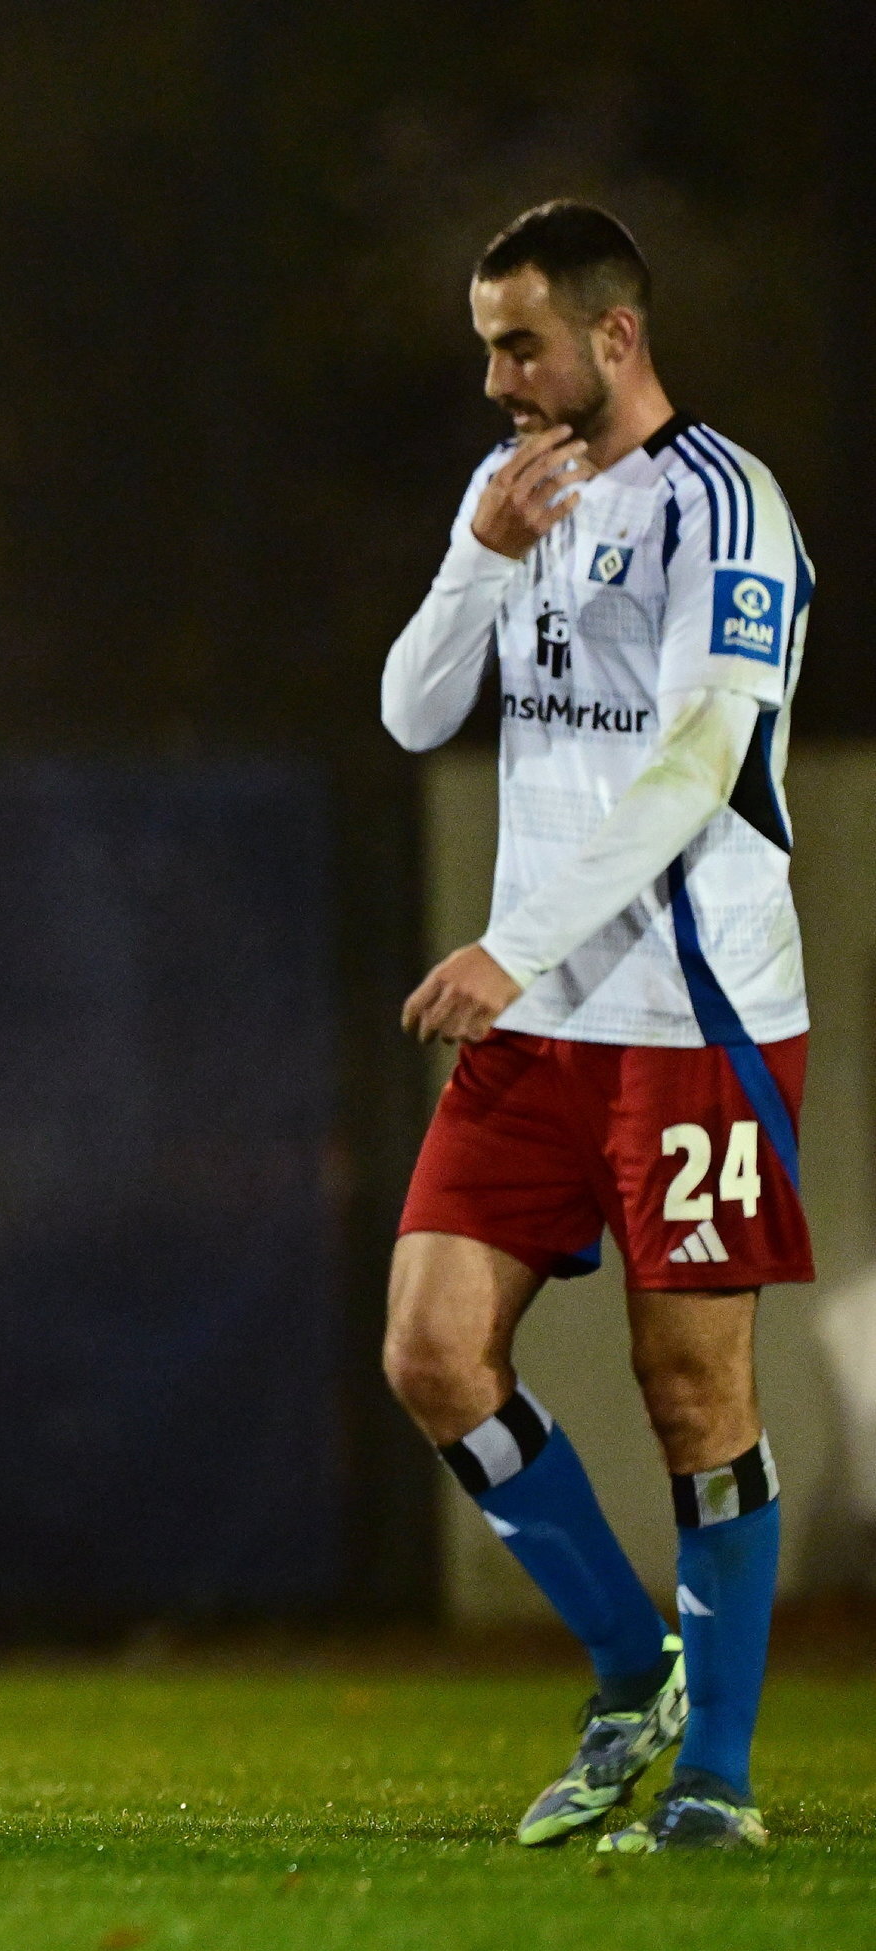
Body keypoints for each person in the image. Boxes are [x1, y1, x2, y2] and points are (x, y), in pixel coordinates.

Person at [383, 201, 811, 1853]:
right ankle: (637, 1672)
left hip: (692, 1017)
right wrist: (478, 553)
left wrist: (513, 940)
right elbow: (417, 707)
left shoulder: (729, 507)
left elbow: (700, 768)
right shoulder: (518, 497)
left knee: (691, 1391)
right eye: (487, 342)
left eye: (520, 342)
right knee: (431, 1352)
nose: (498, 377)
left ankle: (720, 1783)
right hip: (539, 1024)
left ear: (614, 336)